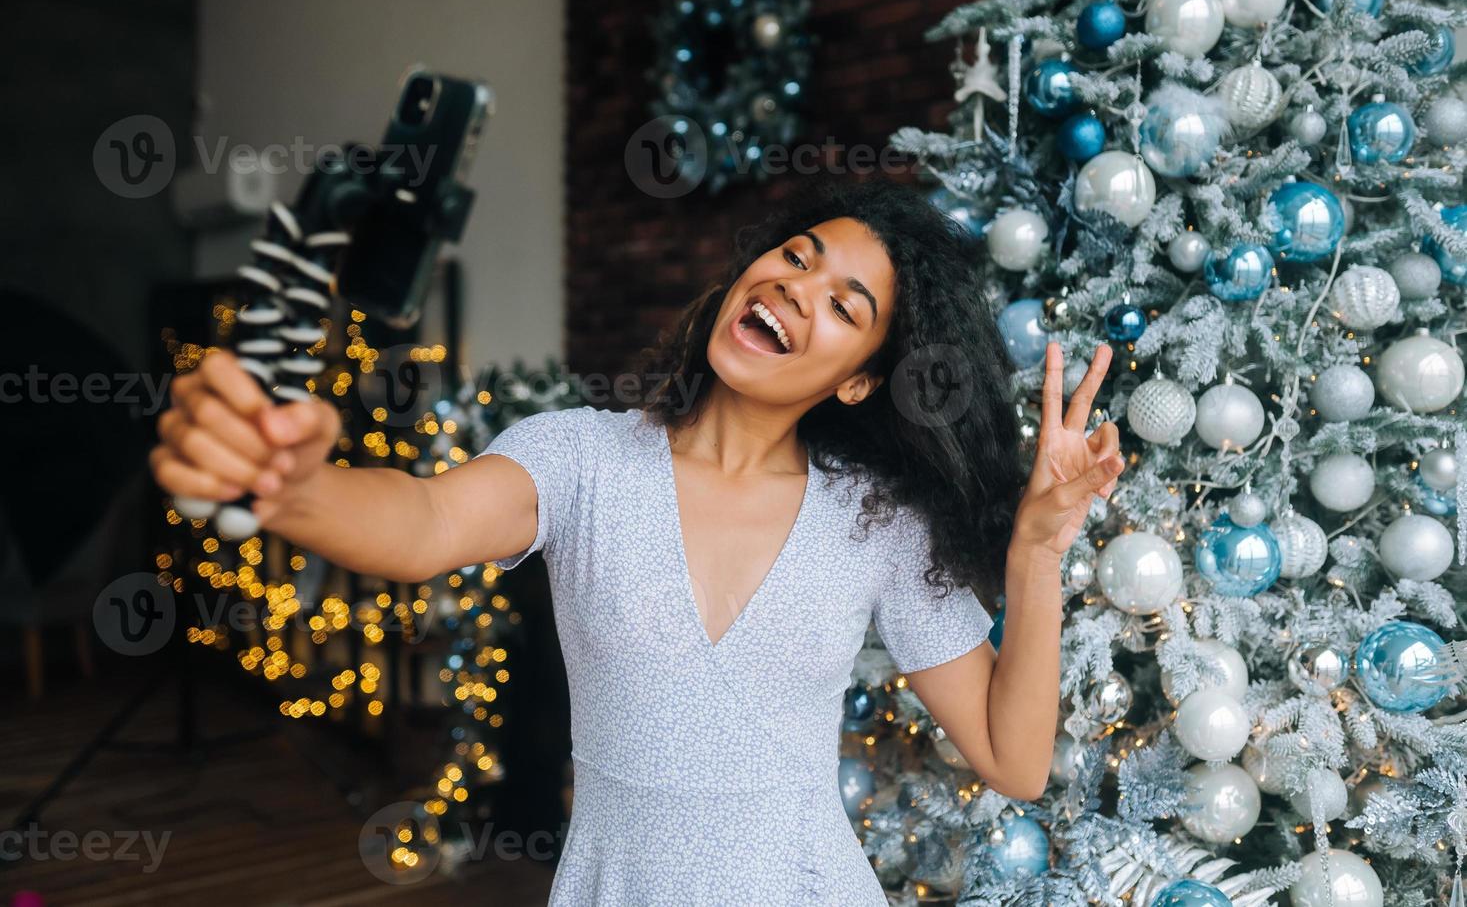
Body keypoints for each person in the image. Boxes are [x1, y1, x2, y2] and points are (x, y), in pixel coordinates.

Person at [149, 176, 1124, 905]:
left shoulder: (877, 520)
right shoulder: (579, 460)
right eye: (795, 255)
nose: (794, 288)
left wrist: (1038, 553)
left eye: (843, 304)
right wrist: (292, 482)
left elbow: (1014, 759)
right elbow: (421, 522)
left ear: (861, 380)